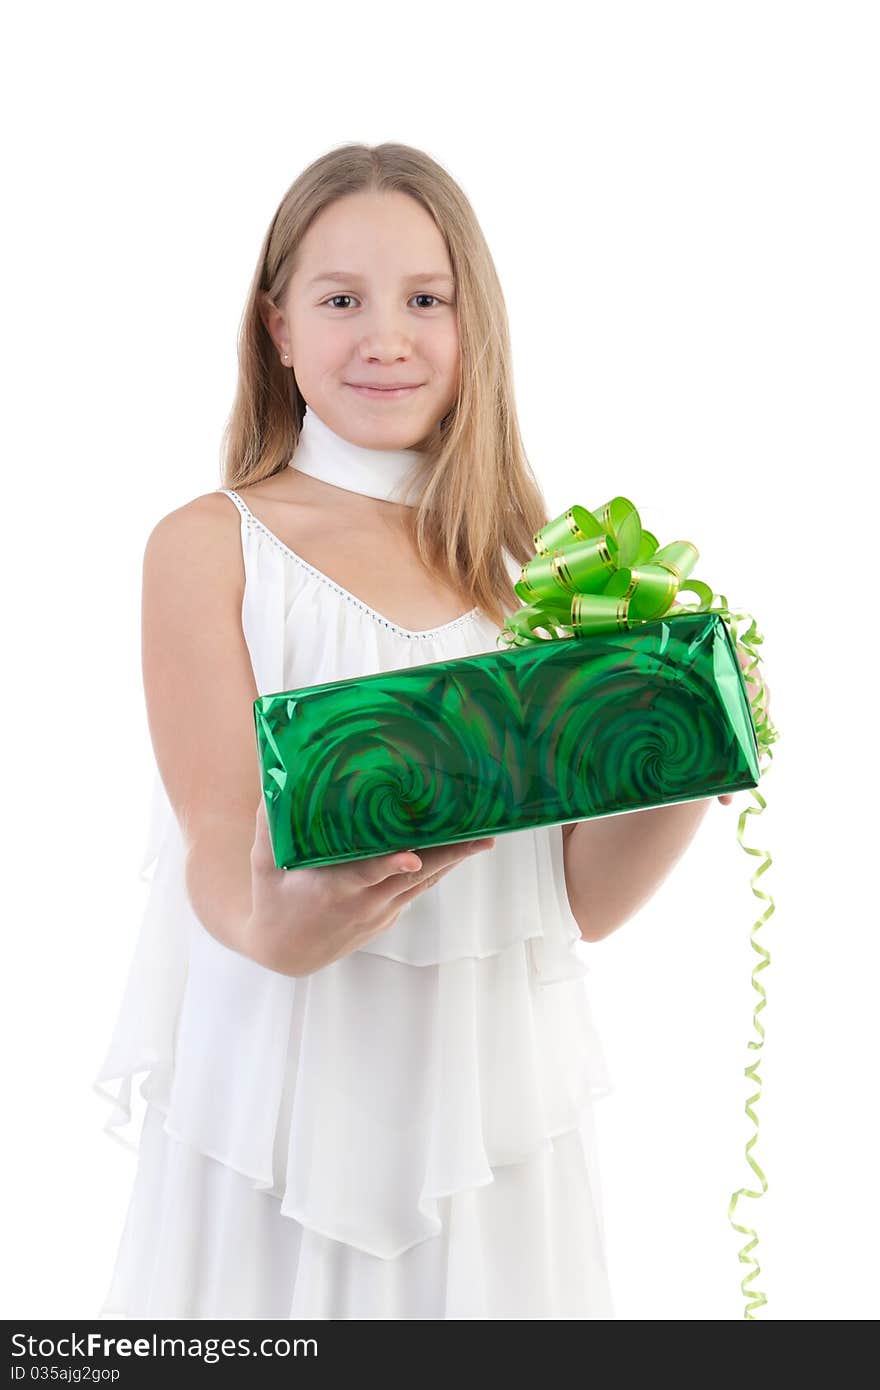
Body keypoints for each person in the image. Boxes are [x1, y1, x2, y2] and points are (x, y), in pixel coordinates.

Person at [94, 141, 706, 1320]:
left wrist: (686, 746)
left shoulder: (540, 567)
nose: (387, 337)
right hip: (276, 1099)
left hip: (487, 1118)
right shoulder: (209, 544)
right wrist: (283, 924)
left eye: (427, 299)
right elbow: (224, 864)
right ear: (275, 328)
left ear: (475, 323)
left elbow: (580, 897)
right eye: (341, 301)